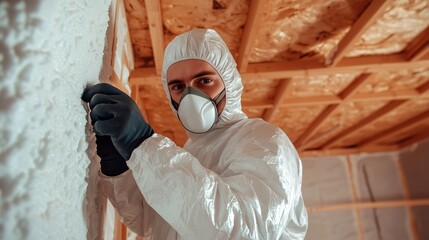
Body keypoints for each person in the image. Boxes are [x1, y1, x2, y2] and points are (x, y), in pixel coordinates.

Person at [82, 28, 308, 239]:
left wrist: (143, 144)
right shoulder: (191, 152)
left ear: (229, 82)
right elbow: (152, 220)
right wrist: (119, 166)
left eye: (204, 80)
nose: (191, 95)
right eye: (178, 87)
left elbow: (242, 230)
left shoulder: (264, 140)